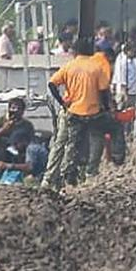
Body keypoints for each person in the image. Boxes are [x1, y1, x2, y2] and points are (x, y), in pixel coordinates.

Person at [47, 36, 115, 187]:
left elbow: (51, 84)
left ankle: (54, 177)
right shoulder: (96, 67)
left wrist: (62, 103)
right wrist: (106, 108)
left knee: (64, 143)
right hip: (93, 112)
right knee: (96, 140)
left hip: (71, 111)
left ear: (75, 51)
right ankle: (90, 173)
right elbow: (104, 91)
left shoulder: (69, 66)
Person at [112, 40, 136, 138]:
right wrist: (124, 93)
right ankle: (122, 132)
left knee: (132, 113)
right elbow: (122, 78)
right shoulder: (122, 61)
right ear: (128, 51)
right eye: (133, 51)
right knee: (123, 112)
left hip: (134, 90)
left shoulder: (134, 60)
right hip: (125, 92)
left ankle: (129, 132)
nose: (135, 53)